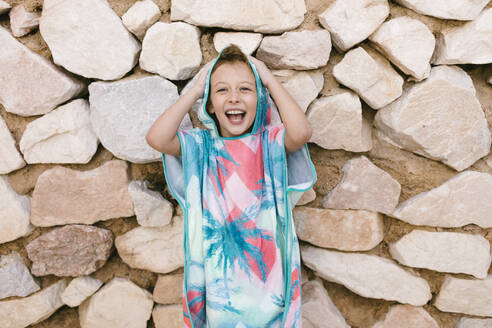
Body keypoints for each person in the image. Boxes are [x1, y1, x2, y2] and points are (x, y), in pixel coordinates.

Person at [146, 45, 316, 327]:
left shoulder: (268, 142)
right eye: (222, 90)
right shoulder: (202, 146)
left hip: (268, 286)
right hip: (219, 289)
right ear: (209, 103)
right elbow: (158, 139)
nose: (234, 98)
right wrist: (195, 89)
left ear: (259, 100)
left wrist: (268, 79)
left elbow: (300, 132)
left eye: (245, 90)